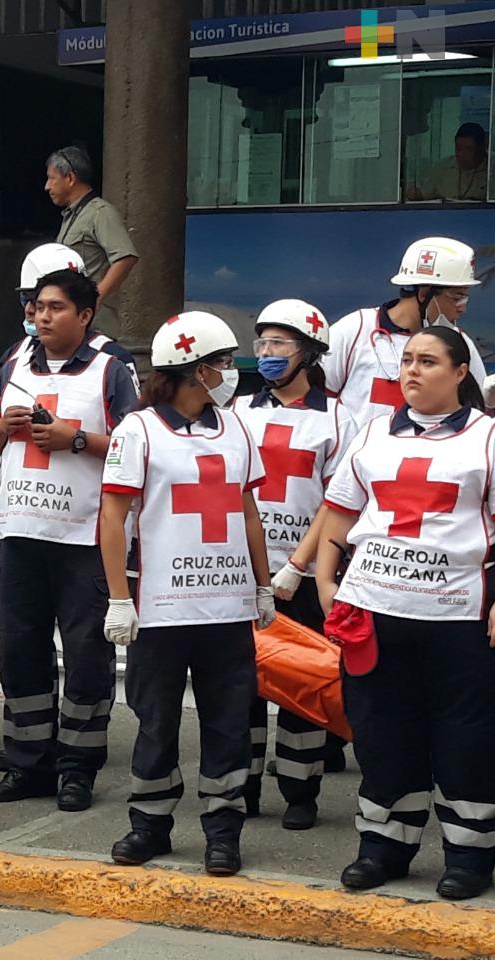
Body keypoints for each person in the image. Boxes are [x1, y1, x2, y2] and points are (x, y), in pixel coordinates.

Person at [317, 324, 495, 900]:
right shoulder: (373, 433)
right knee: (381, 731)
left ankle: (469, 855)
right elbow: (341, 509)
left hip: (457, 616)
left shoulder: (488, 439)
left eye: (428, 362)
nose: (411, 372)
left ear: (461, 372)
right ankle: (384, 847)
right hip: (376, 610)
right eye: (407, 362)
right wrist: (324, 576)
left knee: (465, 736)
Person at [99, 311, 273, 878]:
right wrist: (119, 597)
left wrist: (264, 584)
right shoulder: (138, 430)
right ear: (194, 371)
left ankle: (223, 831)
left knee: (228, 722)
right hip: (162, 608)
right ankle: (149, 824)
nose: (229, 373)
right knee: (156, 720)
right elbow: (114, 515)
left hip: (227, 608)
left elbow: (249, 512)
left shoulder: (238, 428)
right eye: (221, 364)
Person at [0, 268, 137, 812]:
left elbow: (137, 447)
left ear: (85, 316)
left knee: (87, 656)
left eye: (56, 308)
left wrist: (78, 439)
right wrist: (3, 427)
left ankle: (77, 767)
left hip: (84, 539)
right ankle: (26, 762)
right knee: (21, 651)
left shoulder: (112, 369)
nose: (42, 316)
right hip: (21, 534)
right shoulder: (14, 361)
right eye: (38, 307)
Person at [232, 299, 353, 830]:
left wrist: (300, 567)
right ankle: (244, 785)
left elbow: (338, 501)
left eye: (279, 344)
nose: (266, 354)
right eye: (261, 344)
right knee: (241, 686)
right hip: (242, 574)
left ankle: (300, 792)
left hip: (299, 575)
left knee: (303, 687)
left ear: (308, 352)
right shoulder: (239, 411)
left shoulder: (337, 418)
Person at [323, 237, 486, 433]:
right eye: (457, 297)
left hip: (425, 461)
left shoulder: (460, 342)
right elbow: (317, 401)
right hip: (358, 460)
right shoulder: (356, 328)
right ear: (425, 293)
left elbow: (477, 413)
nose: (462, 308)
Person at [0, 244, 139, 390]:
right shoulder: (14, 356)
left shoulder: (114, 360)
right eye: (24, 298)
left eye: (55, 306)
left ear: (84, 314)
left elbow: (130, 412)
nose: (29, 309)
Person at [46, 147, 139, 342]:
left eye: (52, 178)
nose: (47, 186)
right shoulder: (71, 216)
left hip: (97, 327)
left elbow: (125, 257)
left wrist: (96, 297)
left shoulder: (100, 212)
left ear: (70, 178)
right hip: (73, 325)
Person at [408, 123, 488, 202]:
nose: (462, 154)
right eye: (458, 148)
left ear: (482, 148)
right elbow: (423, 193)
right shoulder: (442, 168)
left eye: (469, 149)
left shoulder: (491, 169)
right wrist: (415, 194)